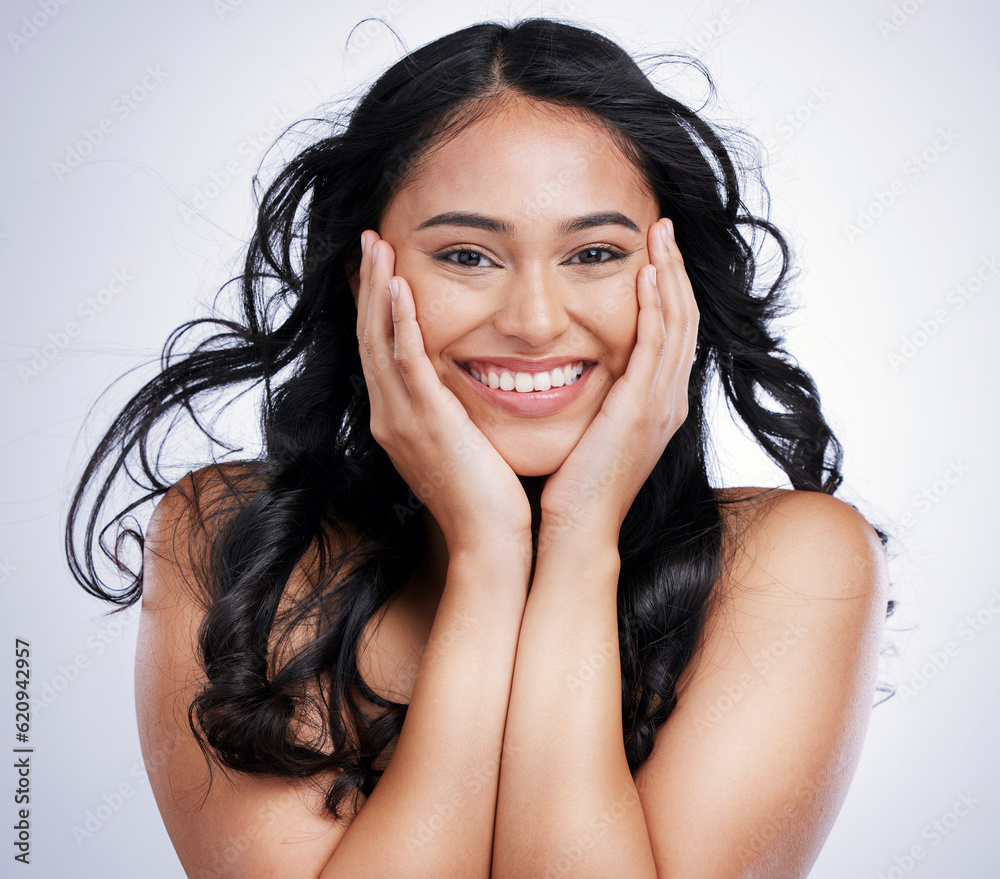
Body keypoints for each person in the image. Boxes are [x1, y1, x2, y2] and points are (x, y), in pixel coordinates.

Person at [67, 16, 891, 878]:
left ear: (674, 280)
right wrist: (488, 555)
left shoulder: (794, 560)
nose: (535, 322)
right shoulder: (232, 541)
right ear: (367, 280)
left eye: (595, 252)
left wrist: (578, 545)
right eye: (467, 254)